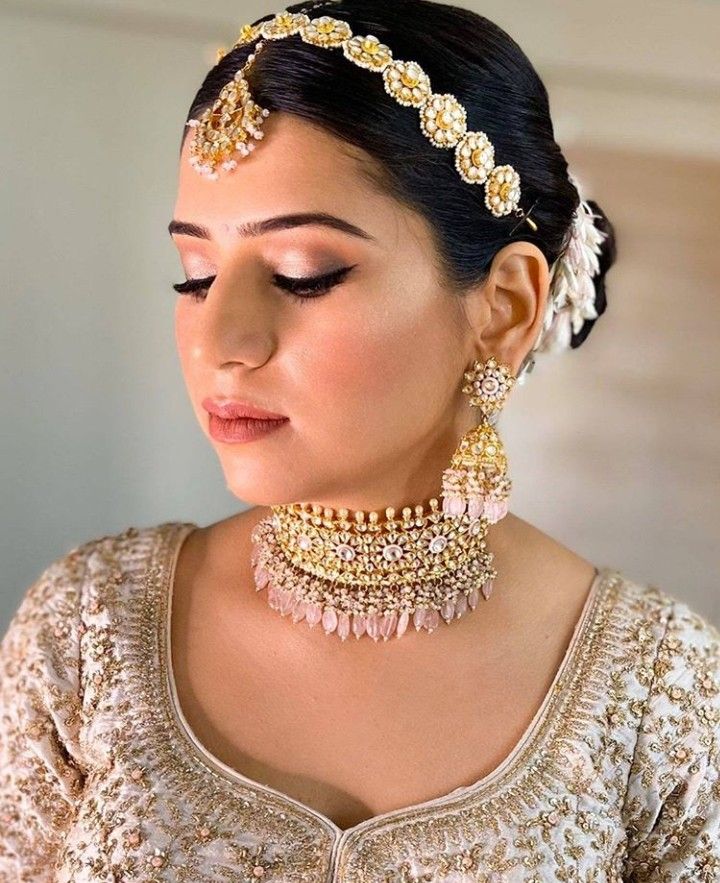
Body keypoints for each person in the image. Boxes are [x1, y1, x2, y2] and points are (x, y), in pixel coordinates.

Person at [2, 0, 719, 879]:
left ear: (505, 308)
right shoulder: (87, 625)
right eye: (193, 277)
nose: (221, 340)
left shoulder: (661, 694)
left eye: (304, 275)